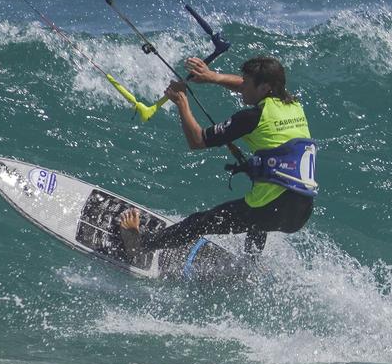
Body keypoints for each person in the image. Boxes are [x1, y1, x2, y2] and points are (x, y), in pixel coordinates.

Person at [118, 54, 317, 255]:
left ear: (265, 88)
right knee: (257, 222)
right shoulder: (293, 105)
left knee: (200, 222)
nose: (242, 88)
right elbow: (244, 84)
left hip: (273, 207)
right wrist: (212, 77)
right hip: (301, 210)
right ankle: (250, 264)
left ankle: (140, 246)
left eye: (247, 83)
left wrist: (182, 102)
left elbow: (197, 140)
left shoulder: (252, 117)